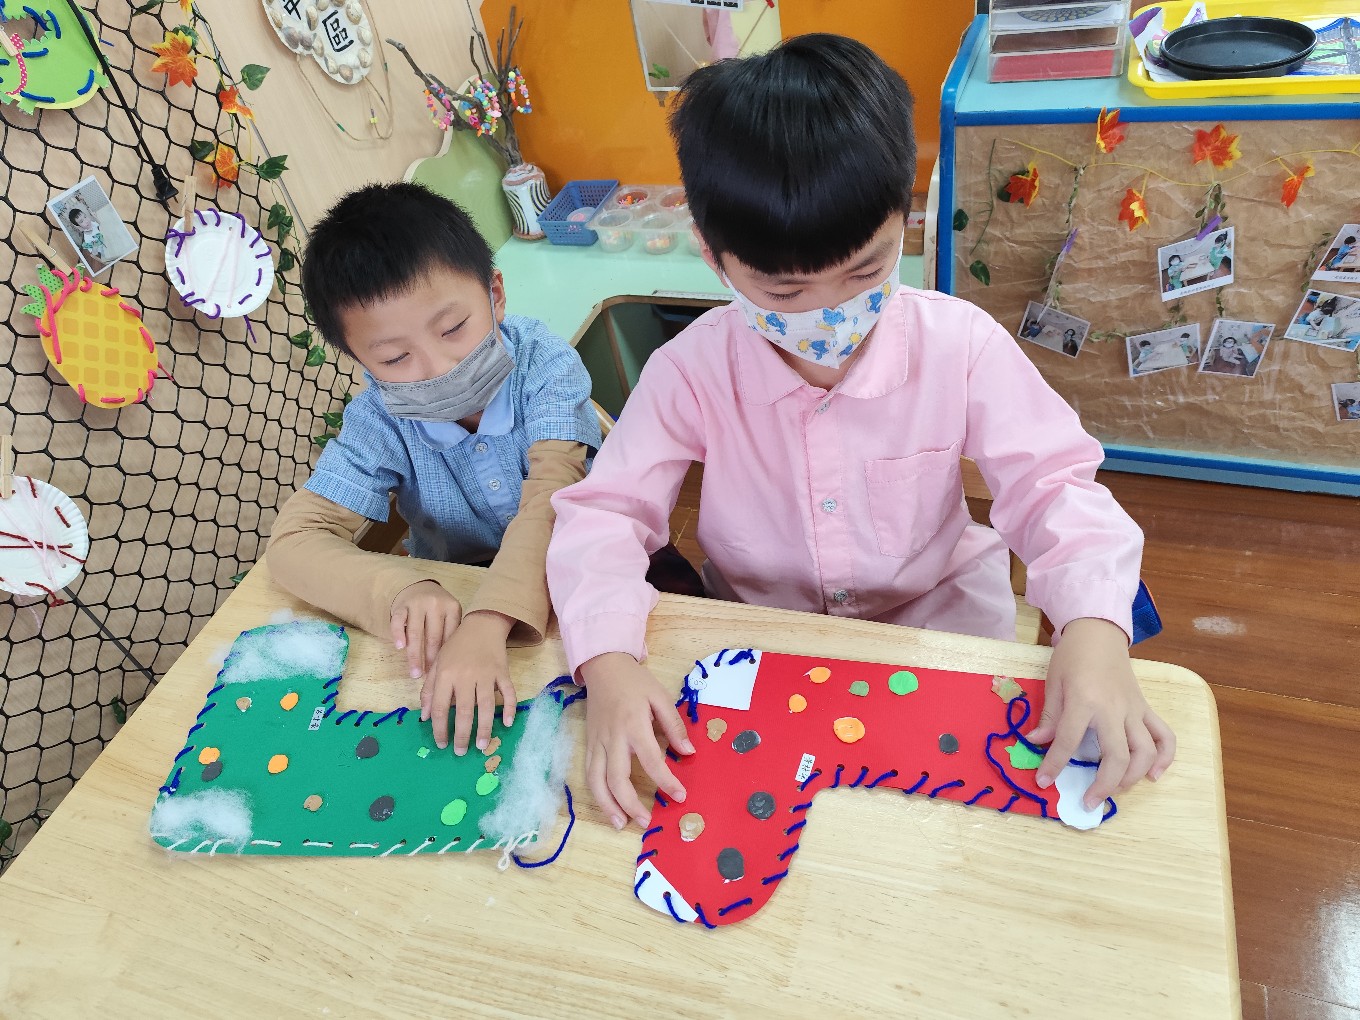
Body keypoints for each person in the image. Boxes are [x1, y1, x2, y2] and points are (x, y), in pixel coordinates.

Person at [546, 34, 1174, 832]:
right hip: (768, 643)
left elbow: (1054, 487)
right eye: (784, 291)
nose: (829, 313)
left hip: (938, 628)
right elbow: (604, 515)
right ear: (713, 256)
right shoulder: (690, 371)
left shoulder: (960, 345)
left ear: (905, 221)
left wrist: (1093, 631)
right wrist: (605, 661)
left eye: (867, 272)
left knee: (949, 833)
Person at [266, 182, 602, 755]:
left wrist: (488, 620)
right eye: (395, 357)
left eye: (453, 330)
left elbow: (553, 497)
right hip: (460, 588)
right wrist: (403, 588)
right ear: (358, 359)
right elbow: (295, 542)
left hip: (586, 560)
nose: (438, 366)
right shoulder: (377, 419)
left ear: (495, 294)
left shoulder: (544, 365)